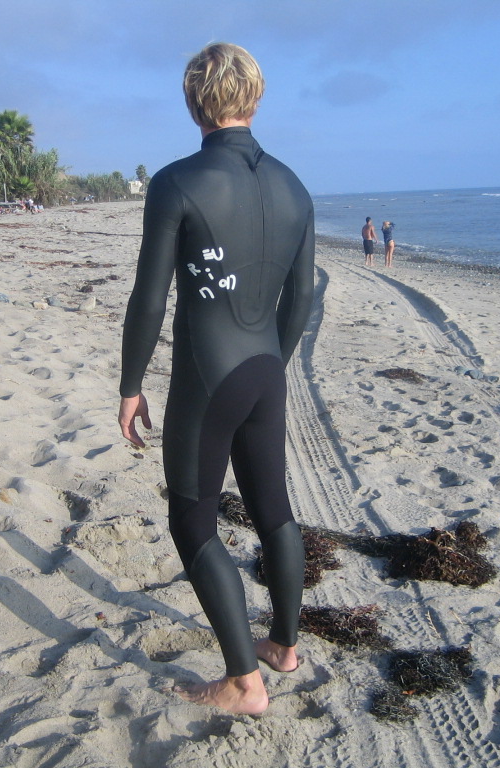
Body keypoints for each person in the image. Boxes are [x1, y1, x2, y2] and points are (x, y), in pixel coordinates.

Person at [118, 42, 315, 715]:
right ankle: (284, 647)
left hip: (210, 376)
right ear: (256, 98)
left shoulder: (176, 183)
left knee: (193, 520)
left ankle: (242, 682)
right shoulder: (294, 187)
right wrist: (273, 364)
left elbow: (149, 299)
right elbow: (303, 297)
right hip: (266, 370)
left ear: (193, 102)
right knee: (274, 510)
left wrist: (130, 384)